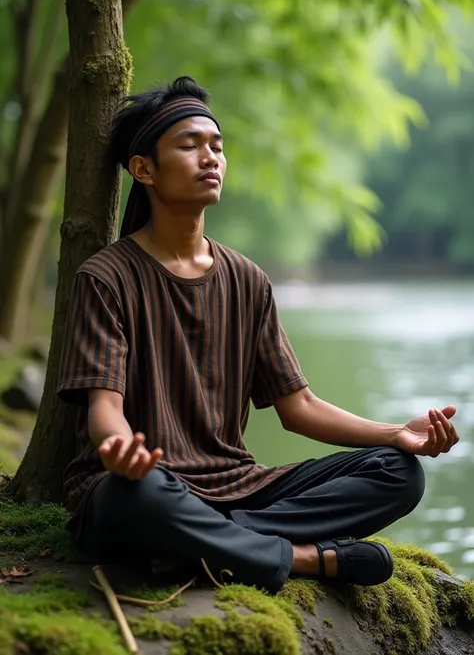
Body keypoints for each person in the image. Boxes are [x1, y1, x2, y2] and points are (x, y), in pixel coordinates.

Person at [57, 76, 459, 594]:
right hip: (144, 485)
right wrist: (117, 449)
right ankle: (302, 558)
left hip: (238, 487)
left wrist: (396, 435)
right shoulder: (106, 277)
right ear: (144, 170)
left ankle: (196, 548)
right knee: (138, 497)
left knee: (399, 474)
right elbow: (104, 406)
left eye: (217, 147)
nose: (211, 157)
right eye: (190, 145)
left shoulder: (247, 280)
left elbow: (300, 408)